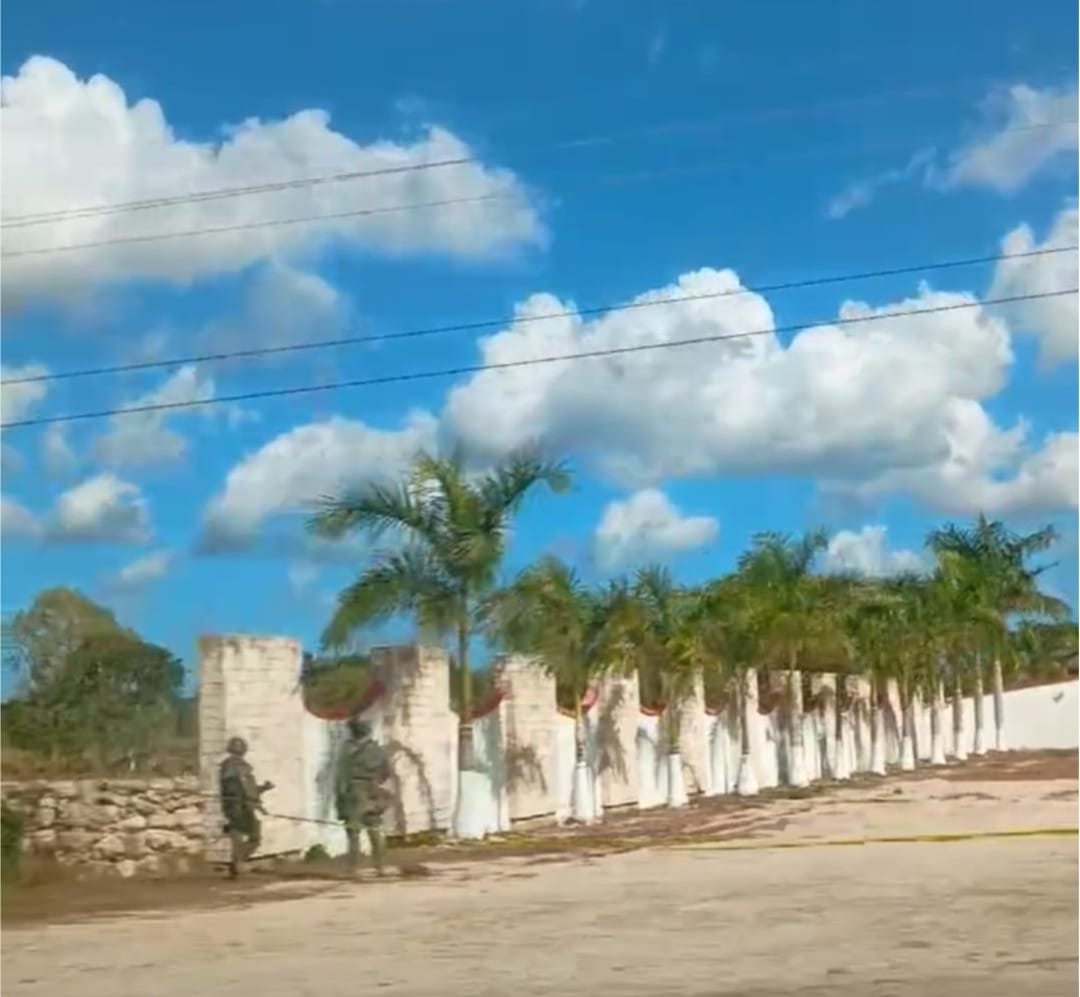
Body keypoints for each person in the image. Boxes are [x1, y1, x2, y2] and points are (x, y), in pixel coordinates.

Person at [334, 717, 392, 877]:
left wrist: (340, 798)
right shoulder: (377, 749)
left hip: (353, 793)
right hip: (372, 792)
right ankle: (380, 866)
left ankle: (352, 869)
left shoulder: (347, 749)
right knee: (375, 830)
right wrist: (375, 782)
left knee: (353, 832)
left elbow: (341, 775)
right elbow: (386, 772)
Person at [218, 736, 273, 879]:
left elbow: (250, 790)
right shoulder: (230, 767)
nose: (238, 753)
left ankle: (237, 862)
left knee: (253, 836)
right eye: (236, 750)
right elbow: (234, 789)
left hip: (244, 806)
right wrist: (243, 801)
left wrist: (263, 788)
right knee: (241, 835)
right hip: (237, 807)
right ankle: (237, 864)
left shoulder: (243, 767)